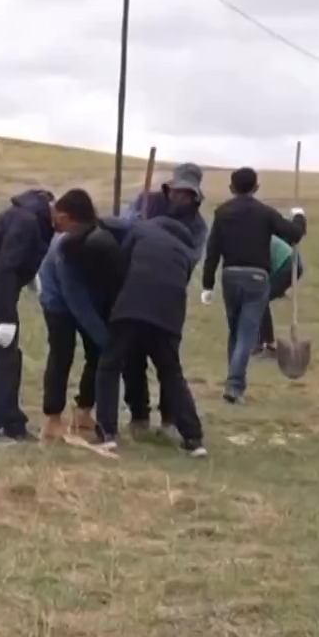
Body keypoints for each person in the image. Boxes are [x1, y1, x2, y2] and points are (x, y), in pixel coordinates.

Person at [80, 188, 207, 458]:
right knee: (171, 373)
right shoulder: (185, 251)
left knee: (110, 365)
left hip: (132, 306)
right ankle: (194, 439)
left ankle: (107, 433)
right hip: (169, 315)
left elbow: (121, 264)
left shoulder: (140, 231)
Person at [198, 168, 306, 404]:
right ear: (256, 188)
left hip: (230, 276)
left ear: (231, 188)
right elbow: (294, 234)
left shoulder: (222, 212)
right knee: (246, 334)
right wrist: (298, 216)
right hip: (257, 278)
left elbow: (213, 251)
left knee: (235, 332)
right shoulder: (264, 213)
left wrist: (207, 285)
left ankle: (232, 381)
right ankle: (234, 386)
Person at [116, 163, 209, 437]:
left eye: (186, 194)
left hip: (168, 296)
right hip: (133, 287)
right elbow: (123, 228)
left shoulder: (198, 226)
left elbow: (192, 259)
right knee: (132, 358)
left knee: (167, 360)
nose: (178, 197)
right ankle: (139, 416)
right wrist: (138, 226)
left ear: (195, 197)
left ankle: (170, 419)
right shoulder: (147, 202)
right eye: (176, 191)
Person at [0, 188, 55, 443]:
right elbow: (4, 269)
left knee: (11, 357)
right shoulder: (26, 221)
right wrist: (5, 318)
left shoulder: (33, 220)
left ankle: (12, 422)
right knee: (3, 358)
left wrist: (29, 276)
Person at [34, 189, 106, 442]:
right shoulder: (63, 246)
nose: (55, 222)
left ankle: (84, 413)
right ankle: (52, 419)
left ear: (73, 218)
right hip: (56, 302)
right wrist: (102, 335)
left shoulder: (93, 236)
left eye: (60, 217)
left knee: (96, 354)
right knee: (61, 354)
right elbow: (74, 298)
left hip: (81, 297)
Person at [257, 234, 303, 355]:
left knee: (260, 300)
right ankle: (263, 342)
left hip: (289, 265)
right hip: (290, 263)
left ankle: (268, 344)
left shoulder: (257, 239)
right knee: (260, 299)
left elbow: (264, 267)